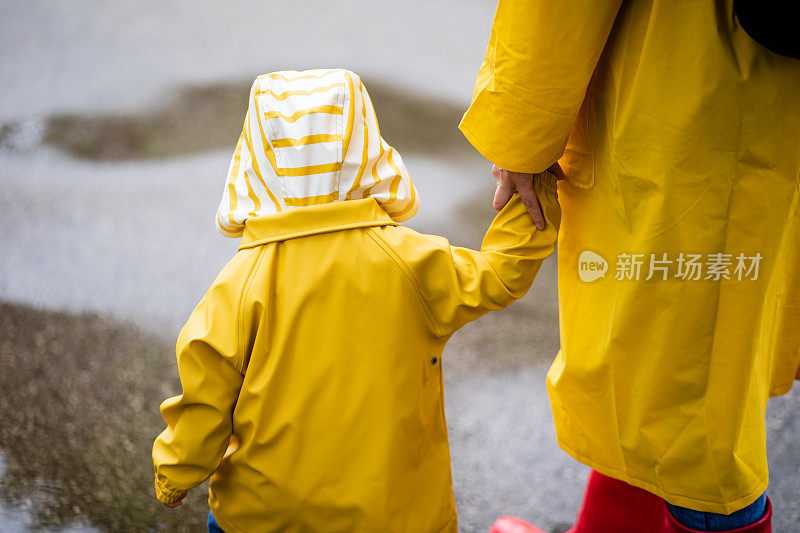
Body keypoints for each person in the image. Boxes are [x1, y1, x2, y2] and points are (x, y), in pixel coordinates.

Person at [151, 68, 561, 533]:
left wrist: (175, 474)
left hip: (263, 515)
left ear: (255, 160)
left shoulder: (241, 283)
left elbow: (205, 398)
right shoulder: (407, 260)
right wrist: (537, 189)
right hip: (393, 516)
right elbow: (500, 274)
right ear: (365, 149)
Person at [459, 1, 800, 532]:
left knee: (689, 409)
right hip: (770, 93)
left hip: (686, 86)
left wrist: (522, 133)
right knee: (676, 365)